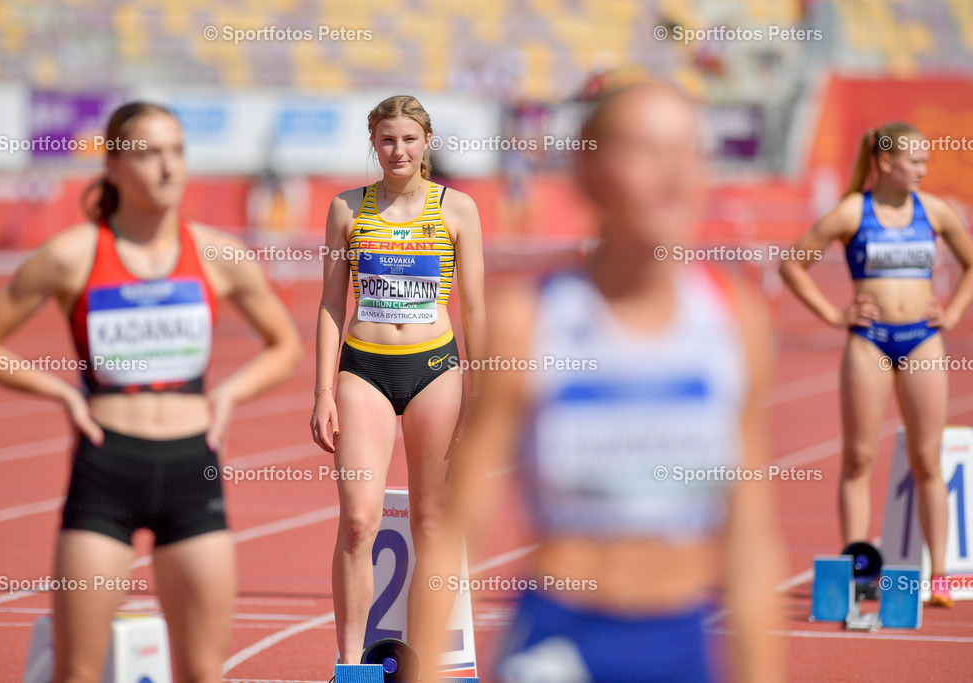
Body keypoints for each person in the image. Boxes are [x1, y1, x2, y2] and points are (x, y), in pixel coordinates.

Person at [417, 81, 783, 682]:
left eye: (689, 150)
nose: (673, 172)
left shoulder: (732, 318)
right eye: (645, 150)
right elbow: (457, 531)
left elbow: (750, 542)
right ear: (588, 173)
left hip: (680, 649)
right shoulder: (529, 320)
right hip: (562, 646)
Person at [0, 102, 303, 682]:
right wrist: (63, 394)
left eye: (177, 151)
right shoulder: (72, 255)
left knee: (202, 671)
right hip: (107, 469)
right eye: (149, 153)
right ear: (114, 166)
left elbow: (285, 346)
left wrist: (227, 396)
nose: (168, 167)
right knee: (78, 672)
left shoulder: (217, 254)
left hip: (193, 469)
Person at [310, 95, 486, 667]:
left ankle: (424, 667)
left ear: (426, 142)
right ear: (373, 143)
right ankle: (350, 668)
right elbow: (331, 304)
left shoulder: (457, 209)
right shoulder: (346, 208)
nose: (398, 150)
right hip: (365, 369)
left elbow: (475, 309)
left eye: (409, 139)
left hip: (435, 369)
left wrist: (480, 393)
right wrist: (323, 391)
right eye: (387, 139)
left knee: (433, 524)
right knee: (359, 520)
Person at [780, 123, 973, 608]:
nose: (924, 169)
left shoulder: (934, 210)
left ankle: (941, 578)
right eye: (915, 161)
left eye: (926, 161)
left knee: (928, 460)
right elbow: (792, 264)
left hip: (922, 341)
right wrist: (833, 314)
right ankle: (859, 573)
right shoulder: (852, 211)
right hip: (868, 343)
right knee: (858, 459)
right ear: (886, 162)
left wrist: (952, 312)